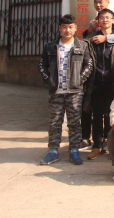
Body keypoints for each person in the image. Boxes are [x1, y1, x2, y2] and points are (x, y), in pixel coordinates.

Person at [80, 0, 114, 151]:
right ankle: (97, 145)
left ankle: (109, 142)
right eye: (95, 2)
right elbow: (84, 48)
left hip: (113, 81)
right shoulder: (93, 27)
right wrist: (90, 32)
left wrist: (106, 38)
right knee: (96, 113)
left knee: (111, 113)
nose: (98, 5)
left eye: (101, 2)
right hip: (96, 81)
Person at [39, 14, 93, 166]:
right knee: (54, 122)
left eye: (70, 27)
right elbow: (42, 65)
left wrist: (79, 80)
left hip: (74, 92)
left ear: (75, 28)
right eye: (64, 27)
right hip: (56, 91)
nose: (67, 30)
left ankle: (74, 150)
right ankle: (53, 151)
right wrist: (49, 80)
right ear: (59, 28)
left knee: (74, 122)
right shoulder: (50, 47)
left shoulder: (82, 46)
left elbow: (88, 65)